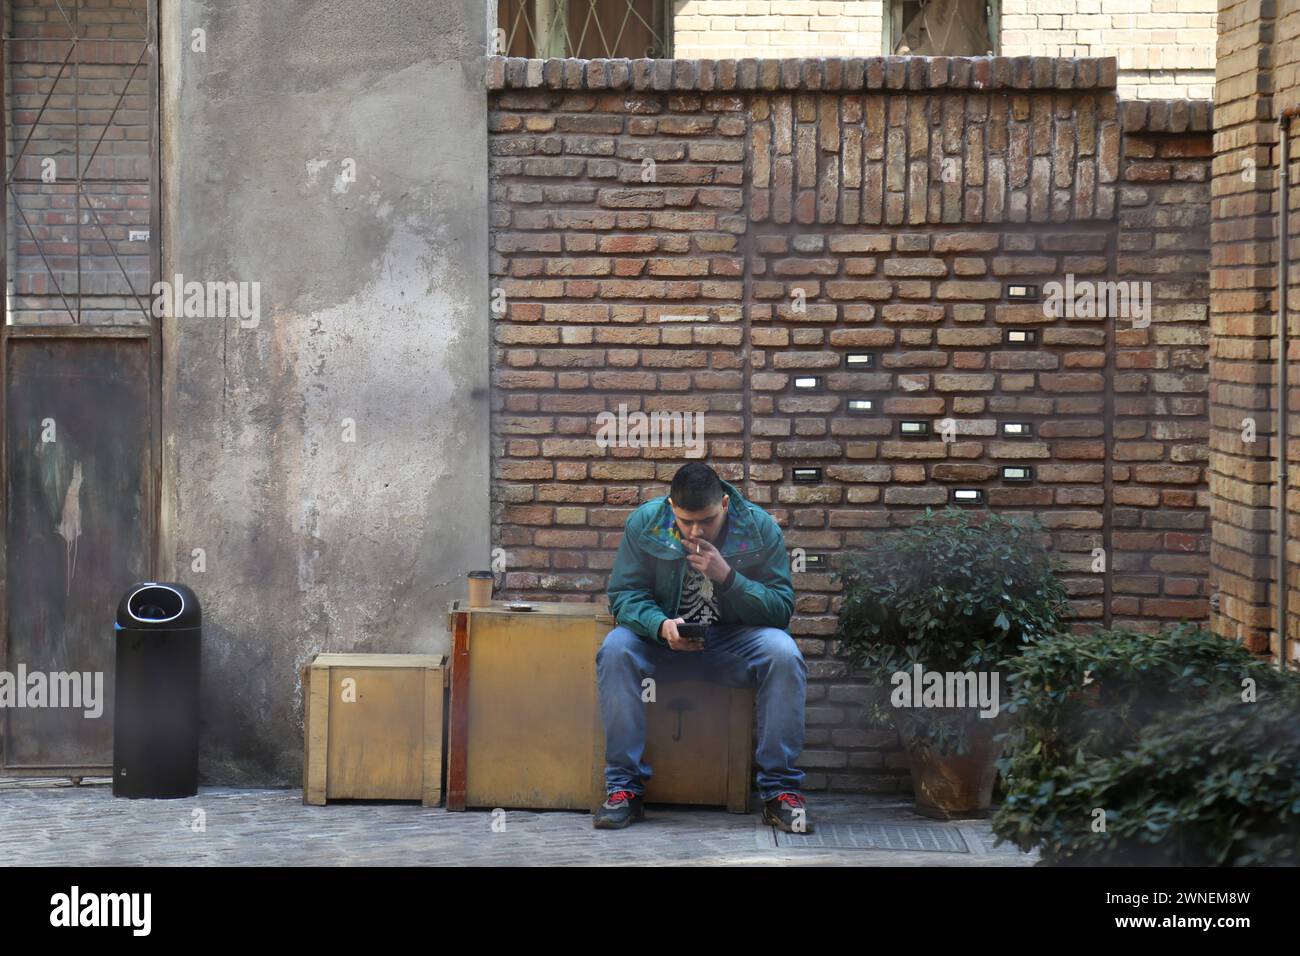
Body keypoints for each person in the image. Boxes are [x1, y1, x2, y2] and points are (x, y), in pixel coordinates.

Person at [594, 461, 812, 832]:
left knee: (784, 652)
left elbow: (780, 609)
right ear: (671, 507)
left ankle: (779, 793)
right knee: (615, 649)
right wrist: (660, 626)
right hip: (662, 641)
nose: (695, 531)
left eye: (707, 520)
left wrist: (727, 577)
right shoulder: (645, 523)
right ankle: (624, 789)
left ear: (724, 504)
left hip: (730, 643)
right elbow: (625, 596)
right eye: (685, 521)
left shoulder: (758, 528)